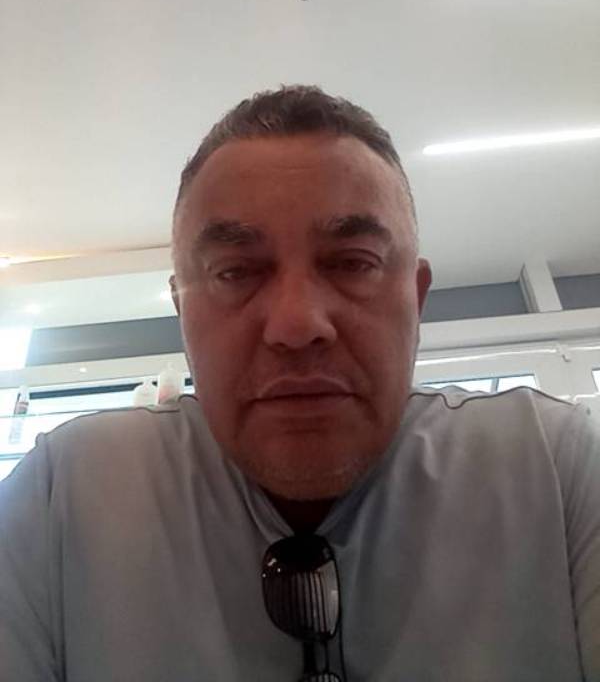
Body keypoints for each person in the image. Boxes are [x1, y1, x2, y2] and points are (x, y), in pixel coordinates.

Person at [1, 85, 599, 682]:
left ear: (415, 301)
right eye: (236, 272)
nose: (296, 325)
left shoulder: (556, 470)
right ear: (183, 313)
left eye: (352, 263)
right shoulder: (62, 500)